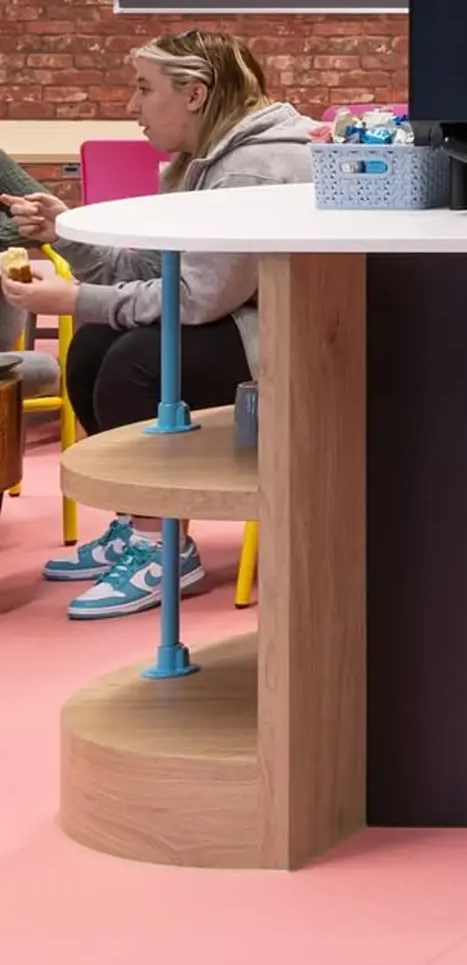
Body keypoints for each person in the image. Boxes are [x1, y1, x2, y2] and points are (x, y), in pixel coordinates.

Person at [0, 32, 314, 619]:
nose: (131, 106)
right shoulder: (207, 159)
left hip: (290, 339)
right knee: (93, 349)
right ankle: (139, 521)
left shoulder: (251, 168)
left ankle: (162, 549)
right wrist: (63, 232)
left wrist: (78, 298)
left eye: (144, 90)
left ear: (194, 95)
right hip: (241, 319)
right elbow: (158, 268)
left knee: (135, 363)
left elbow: (196, 298)